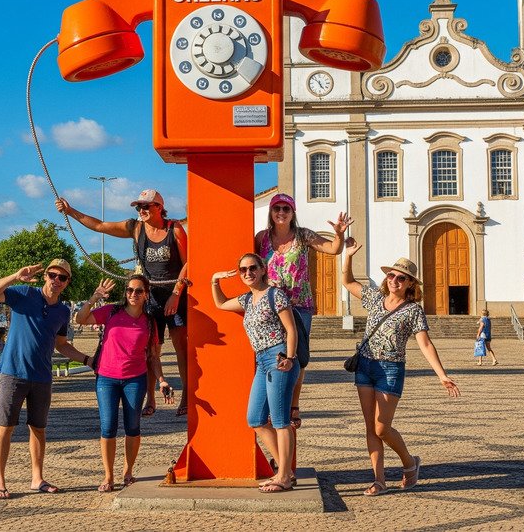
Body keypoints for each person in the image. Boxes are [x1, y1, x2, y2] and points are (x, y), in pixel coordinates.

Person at [56, 190, 190, 417]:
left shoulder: (174, 229)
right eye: (138, 207)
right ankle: (151, 399)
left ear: (159, 207)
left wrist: (176, 293)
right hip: (149, 296)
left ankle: (186, 396)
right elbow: (100, 226)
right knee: (150, 350)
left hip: (175, 295)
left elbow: (189, 263)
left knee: (181, 348)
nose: (141, 211)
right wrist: (70, 212)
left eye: (146, 207)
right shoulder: (135, 228)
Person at [341, 240, 459, 496]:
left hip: (391, 369)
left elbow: (425, 344)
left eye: (401, 277)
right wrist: (347, 256)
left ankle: (409, 463)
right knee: (370, 427)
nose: (394, 279)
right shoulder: (374, 298)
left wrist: (442, 375)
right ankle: (379, 480)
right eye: (391, 275)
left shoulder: (413, 311)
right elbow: (348, 282)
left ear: (409, 284)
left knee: (382, 427)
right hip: (365, 365)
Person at [0, 259, 93, 500]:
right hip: (13, 372)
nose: (56, 280)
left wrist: (87, 360)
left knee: (38, 428)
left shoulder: (63, 311)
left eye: (62, 278)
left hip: (42, 376)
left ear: (67, 282)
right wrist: (15, 275)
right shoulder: (24, 294)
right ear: (46, 276)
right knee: (6, 426)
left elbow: (61, 345)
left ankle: (37, 478)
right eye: (52, 275)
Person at [253, 192, 350, 429]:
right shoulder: (261, 238)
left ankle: (293, 404)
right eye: (277, 209)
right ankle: (271, 399)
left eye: (286, 209)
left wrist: (339, 233)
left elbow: (333, 249)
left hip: (300, 304)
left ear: (293, 213)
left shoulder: (303, 235)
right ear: (271, 212)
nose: (281, 213)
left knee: (298, 357)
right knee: (271, 352)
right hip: (271, 306)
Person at [76, 273, 175, 492]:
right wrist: (93, 298)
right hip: (107, 379)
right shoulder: (111, 312)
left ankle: (128, 471)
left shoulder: (149, 323)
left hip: (135, 380)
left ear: (146, 295)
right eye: (130, 290)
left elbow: (153, 356)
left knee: (132, 427)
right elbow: (80, 319)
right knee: (108, 427)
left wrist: (161, 381)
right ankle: (108, 476)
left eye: (139, 291)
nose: (133, 294)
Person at [210, 253, 300, 493]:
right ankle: (285, 470)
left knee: (281, 421)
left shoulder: (275, 294)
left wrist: (289, 358)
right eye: (243, 270)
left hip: (279, 357)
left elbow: (291, 330)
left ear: (262, 270)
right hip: (261, 360)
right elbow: (220, 304)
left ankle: (283, 477)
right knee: (256, 420)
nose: (247, 273)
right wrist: (215, 280)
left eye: (252, 268)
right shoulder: (247, 300)